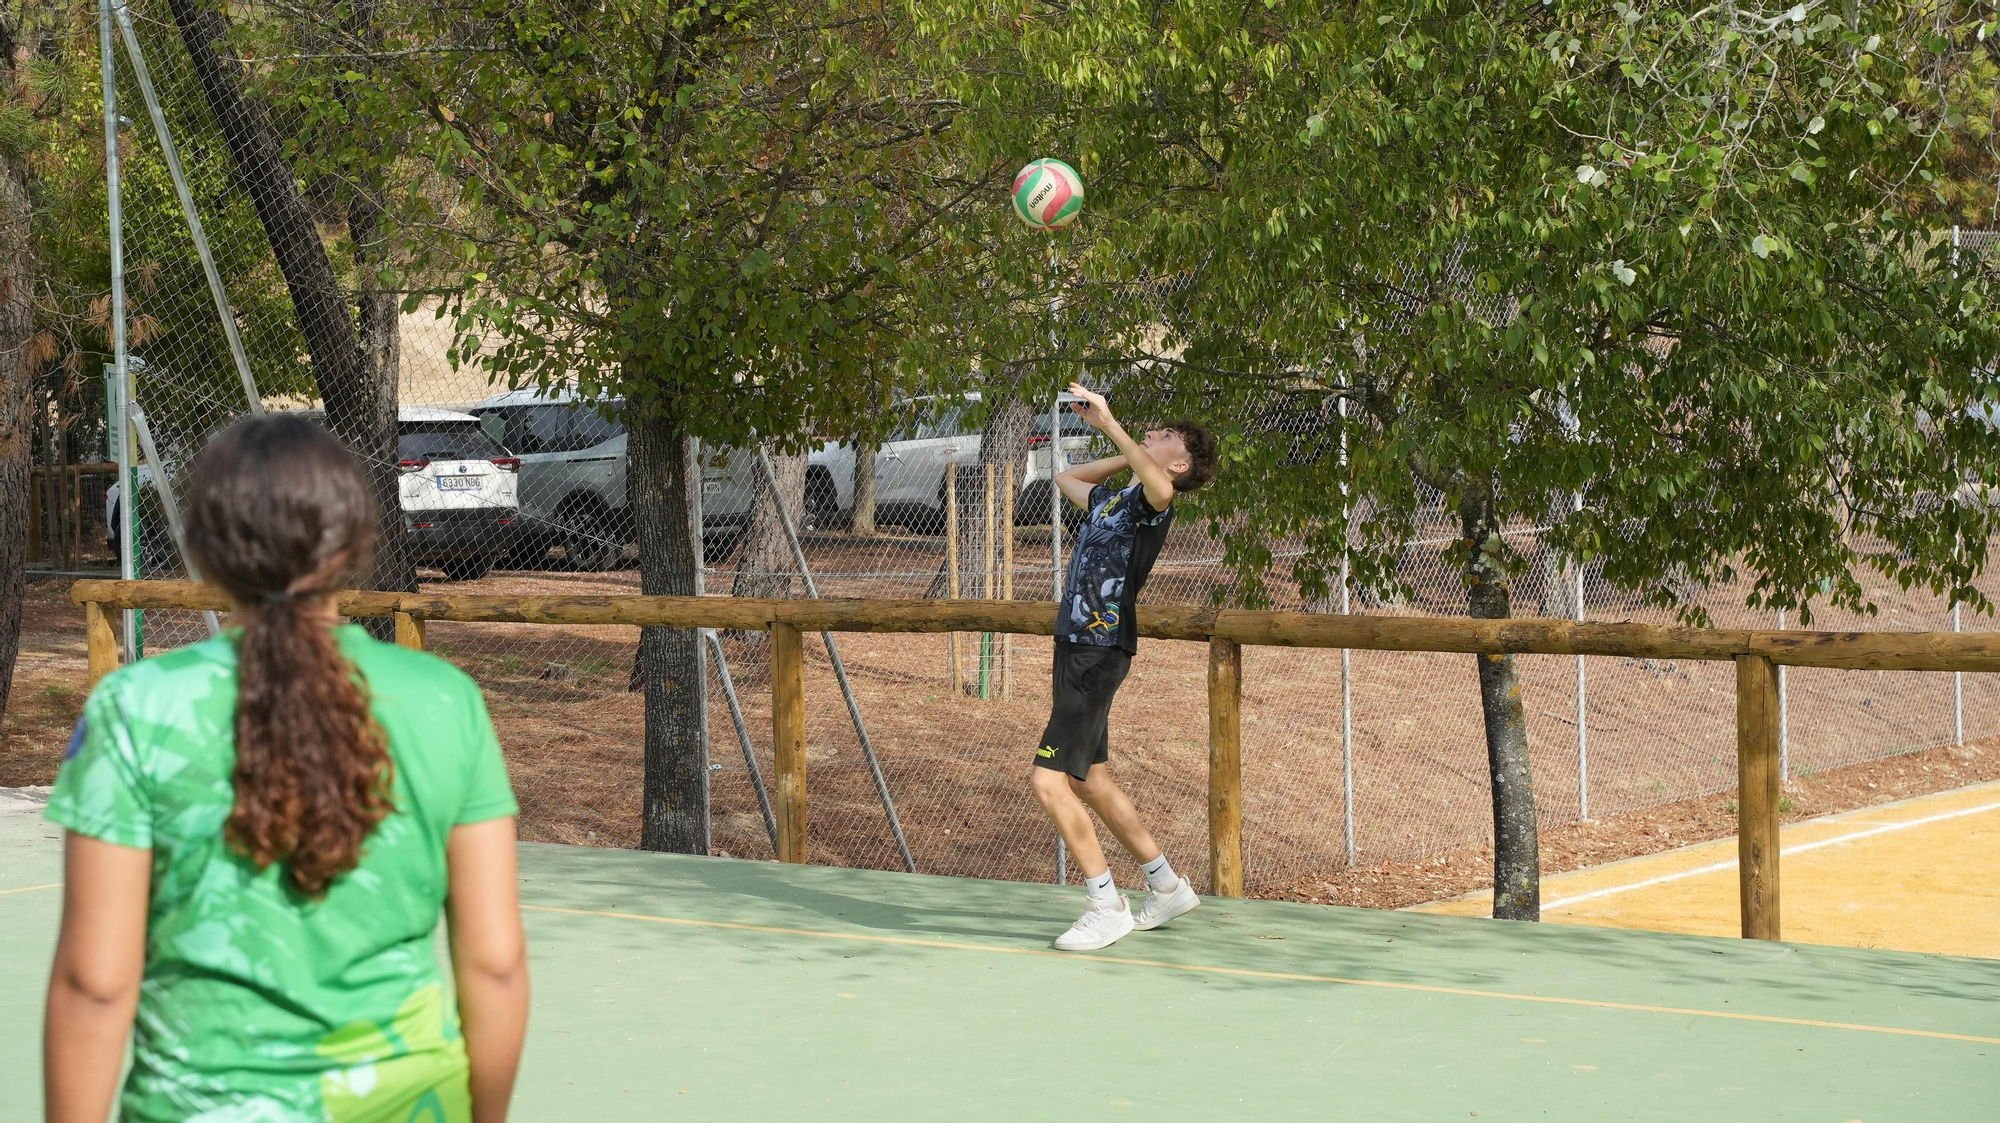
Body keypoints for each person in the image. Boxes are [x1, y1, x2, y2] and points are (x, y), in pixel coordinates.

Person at [42, 415, 531, 1123]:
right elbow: (495, 966)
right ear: (356, 546)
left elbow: (94, 983)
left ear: (204, 549)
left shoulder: (137, 707)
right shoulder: (445, 701)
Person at [1032, 382, 1218, 951]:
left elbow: (1160, 482)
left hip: (1100, 650)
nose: (1152, 435)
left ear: (1179, 461)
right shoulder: (1116, 501)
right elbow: (1067, 481)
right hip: (1076, 646)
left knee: (1047, 781)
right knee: (1091, 778)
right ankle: (1165, 884)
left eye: (1163, 437)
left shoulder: (1156, 501)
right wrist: (1122, 443)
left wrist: (1112, 423)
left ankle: (1104, 903)